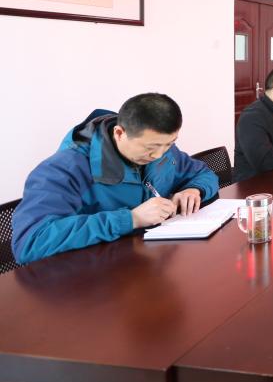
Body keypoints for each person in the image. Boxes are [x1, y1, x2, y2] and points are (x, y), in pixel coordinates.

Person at [12, 94, 219, 264]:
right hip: (89, 282)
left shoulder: (162, 149)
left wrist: (194, 189)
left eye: (169, 143)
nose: (158, 155)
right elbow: (30, 243)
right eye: (150, 147)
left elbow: (203, 174)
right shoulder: (64, 170)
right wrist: (130, 219)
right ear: (119, 133)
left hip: (145, 265)